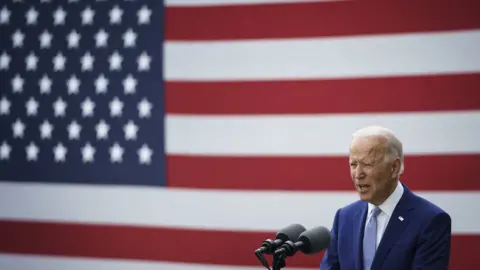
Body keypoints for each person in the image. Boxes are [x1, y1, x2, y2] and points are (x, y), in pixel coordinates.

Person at [320, 125, 451, 270]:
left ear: (394, 168)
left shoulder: (430, 221)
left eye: (368, 164)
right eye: (353, 164)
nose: (358, 174)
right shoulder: (344, 218)